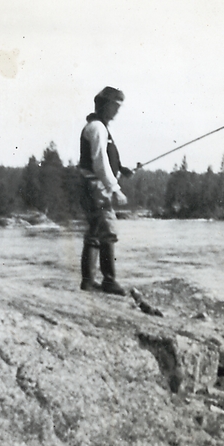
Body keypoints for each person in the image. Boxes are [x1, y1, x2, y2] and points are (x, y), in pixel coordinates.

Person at [78, 86, 135, 294]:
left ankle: (88, 281)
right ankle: (109, 281)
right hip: (96, 187)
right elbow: (100, 162)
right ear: (105, 105)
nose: (117, 111)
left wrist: (121, 169)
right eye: (115, 106)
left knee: (95, 231)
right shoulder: (97, 128)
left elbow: (105, 160)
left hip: (92, 185)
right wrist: (116, 189)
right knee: (107, 231)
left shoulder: (98, 127)